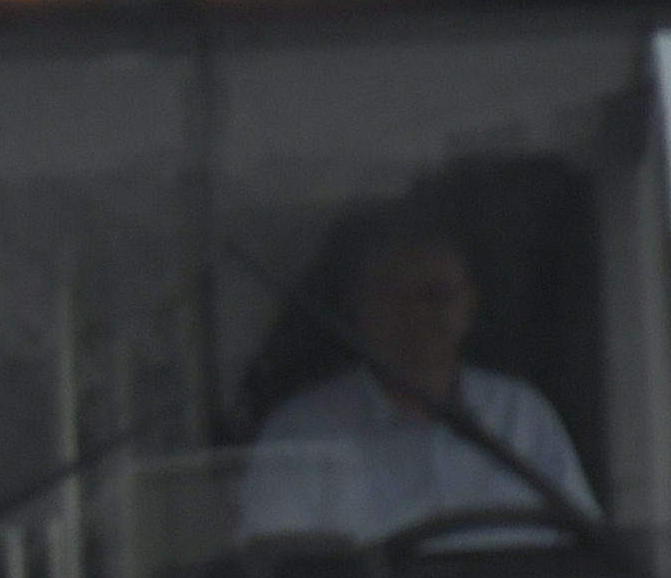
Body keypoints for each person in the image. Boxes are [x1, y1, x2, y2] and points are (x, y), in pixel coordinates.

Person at [239, 218, 600, 545]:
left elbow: (586, 554)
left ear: (469, 305)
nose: (415, 314)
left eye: (435, 294)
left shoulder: (525, 416)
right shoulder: (301, 433)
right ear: (357, 304)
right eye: (391, 294)